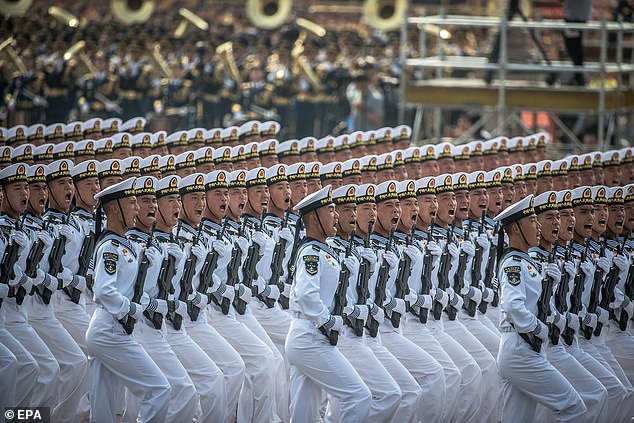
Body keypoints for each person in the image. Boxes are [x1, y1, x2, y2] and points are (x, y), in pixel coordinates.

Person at [85, 178, 171, 423]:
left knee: (104, 402)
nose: (137, 208)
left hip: (107, 328)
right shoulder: (111, 247)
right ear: (114, 209)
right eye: (131, 202)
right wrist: (131, 308)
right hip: (110, 329)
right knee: (158, 389)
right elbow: (103, 290)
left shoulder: (122, 244)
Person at [495, 194, 586, 422]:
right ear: (515, 228)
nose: (537, 227)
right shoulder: (514, 263)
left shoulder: (524, 261)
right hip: (520, 348)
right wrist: (538, 328)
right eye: (532, 221)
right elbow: (512, 305)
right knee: (573, 407)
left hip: (523, 348)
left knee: (517, 419)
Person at [285, 185, 372, 422]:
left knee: (303, 413)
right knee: (359, 396)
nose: (336, 215)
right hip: (310, 337)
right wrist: (328, 320)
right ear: (313, 218)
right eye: (330, 210)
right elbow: (306, 296)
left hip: (309, 337)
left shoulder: (322, 250)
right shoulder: (312, 253)